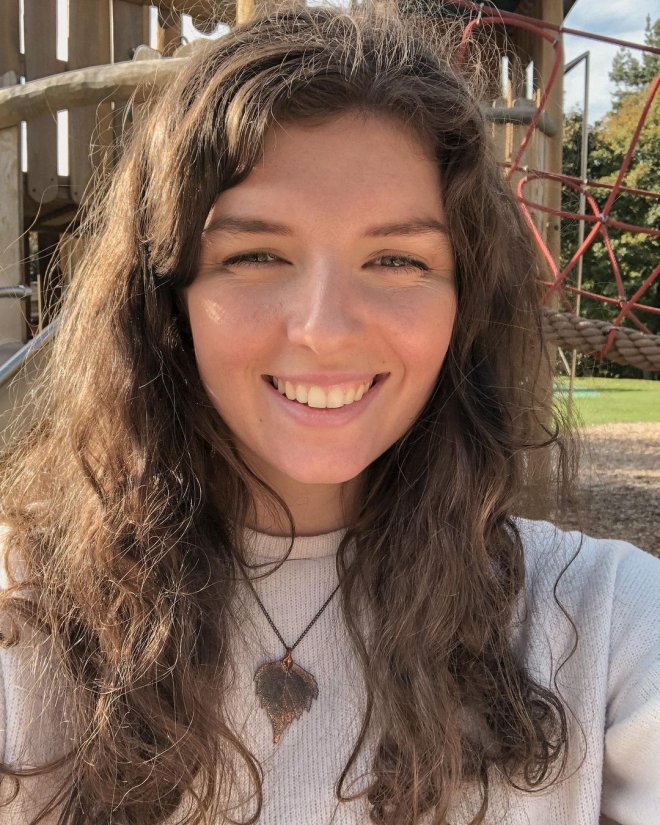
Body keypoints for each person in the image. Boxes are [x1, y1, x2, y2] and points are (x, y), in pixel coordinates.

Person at [0, 5, 658, 825]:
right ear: (168, 298)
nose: (325, 329)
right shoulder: (26, 618)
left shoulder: (605, 623)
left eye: (396, 259)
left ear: (464, 301)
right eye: (255, 254)